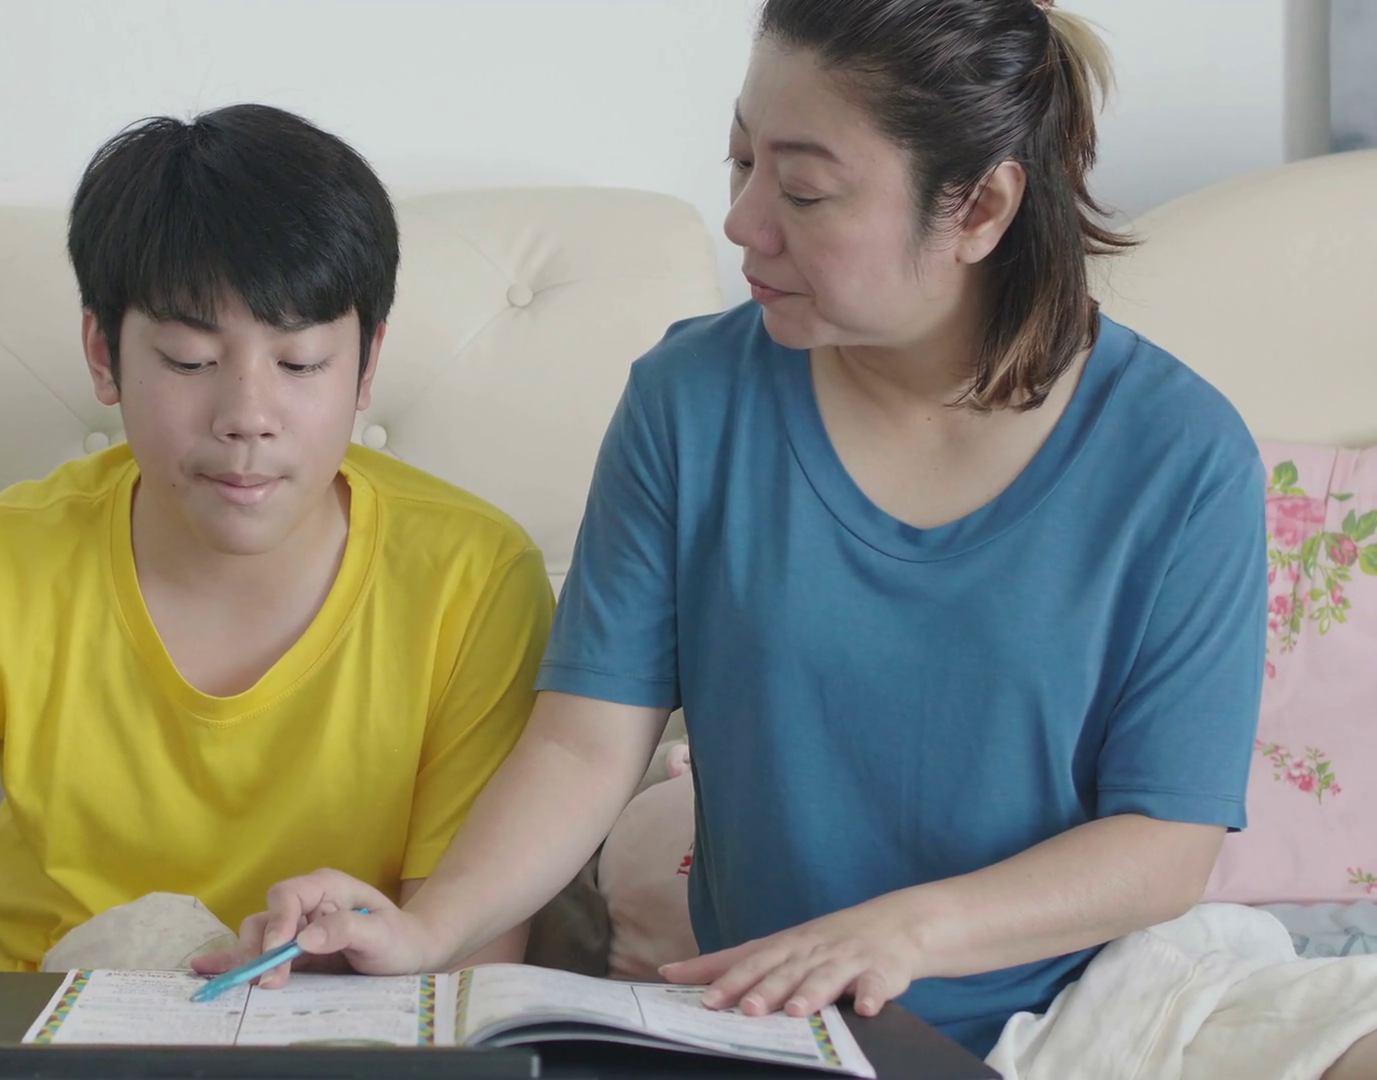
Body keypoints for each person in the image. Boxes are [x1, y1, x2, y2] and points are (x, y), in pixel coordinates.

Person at [205, 0, 1319, 1064]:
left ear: (980, 209)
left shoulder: (1179, 456)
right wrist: (426, 927)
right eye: (742, 162)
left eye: (804, 189)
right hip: (785, 1028)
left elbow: (1166, 844)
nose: (741, 221)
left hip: (1107, 1012)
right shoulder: (691, 404)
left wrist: (906, 931)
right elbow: (584, 747)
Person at [0, 104, 552, 1080]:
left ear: (368, 364)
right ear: (103, 355)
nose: (247, 416)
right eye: (189, 361)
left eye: (301, 362)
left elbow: (466, 965)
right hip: (33, 1043)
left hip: (326, 1048)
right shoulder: (1, 565)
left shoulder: (472, 581)